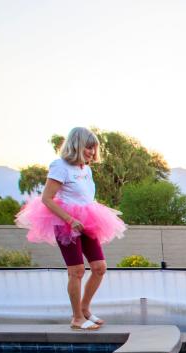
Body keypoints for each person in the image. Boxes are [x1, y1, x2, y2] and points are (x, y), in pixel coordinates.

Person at [15, 127, 126, 330]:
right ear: (77, 145)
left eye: (94, 148)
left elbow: (84, 197)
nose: (92, 152)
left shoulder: (86, 169)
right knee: (76, 271)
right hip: (65, 222)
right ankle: (76, 318)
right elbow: (47, 199)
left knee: (99, 268)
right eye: (88, 147)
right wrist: (70, 219)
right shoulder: (60, 166)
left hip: (88, 220)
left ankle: (85, 309)